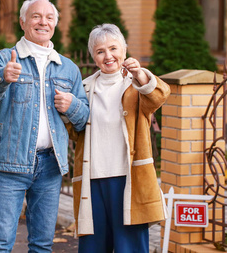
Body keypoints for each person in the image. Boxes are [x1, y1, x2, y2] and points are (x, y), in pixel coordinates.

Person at [0, 0, 89, 252]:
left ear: (55, 24)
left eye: (49, 18)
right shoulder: (6, 57)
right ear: (23, 22)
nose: (43, 22)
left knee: (42, 245)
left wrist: (71, 104)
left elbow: (83, 120)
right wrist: (3, 76)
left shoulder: (68, 68)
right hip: (10, 164)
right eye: (36, 16)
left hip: (50, 167)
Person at [68, 23, 171, 252]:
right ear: (94, 57)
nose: (108, 56)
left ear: (124, 50)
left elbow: (159, 97)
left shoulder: (135, 85)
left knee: (130, 248)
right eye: (100, 51)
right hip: (92, 181)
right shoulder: (84, 88)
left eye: (113, 48)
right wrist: (69, 109)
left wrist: (140, 74)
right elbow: (74, 132)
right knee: (92, 248)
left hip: (128, 180)